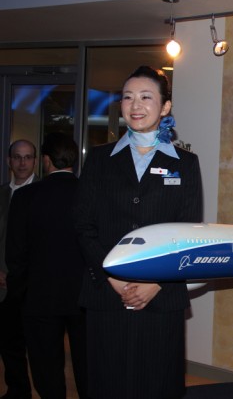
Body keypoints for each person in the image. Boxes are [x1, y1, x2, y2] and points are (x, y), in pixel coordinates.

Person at [74, 66, 203, 399]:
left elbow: (188, 231)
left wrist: (156, 283)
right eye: (128, 97)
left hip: (161, 296)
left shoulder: (185, 164)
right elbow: (84, 226)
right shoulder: (99, 160)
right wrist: (112, 276)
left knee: (157, 382)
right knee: (108, 380)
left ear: (165, 107)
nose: (135, 105)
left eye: (146, 97)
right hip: (106, 293)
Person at [5, 133, 88, 399]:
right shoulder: (91, 194)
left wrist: (19, 291)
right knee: (87, 365)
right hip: (83, 296)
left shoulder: (26, 197)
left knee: (45, 365)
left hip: (39, 296)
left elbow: (15, 253)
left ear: (46, 160)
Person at [0, 140, 37, 399]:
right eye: (17, 157)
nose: (22, 163)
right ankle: (17, 391)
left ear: (35, 161)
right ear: (9, 161)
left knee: (38, 346)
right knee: (9, 345)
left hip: (33, 286)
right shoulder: (1, 193)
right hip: (2, 286)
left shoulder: (43, 194)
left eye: (27, 157)